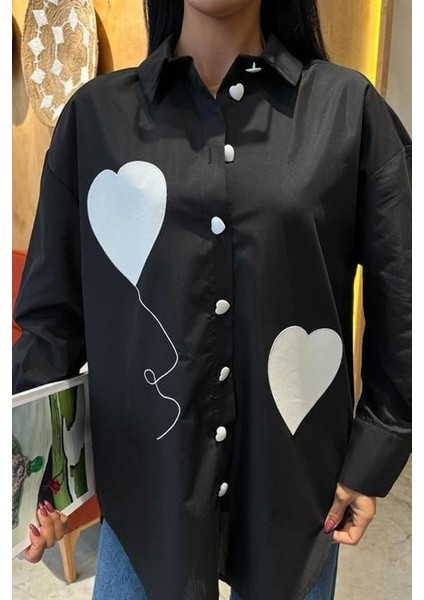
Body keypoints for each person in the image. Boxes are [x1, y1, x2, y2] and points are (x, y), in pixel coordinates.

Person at [12, 0, 411, 598]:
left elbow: (404, 299)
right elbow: (52, 319)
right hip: (144, 499)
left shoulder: (347, 110)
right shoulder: (94, 120)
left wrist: (374, 454)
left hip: (296, 498)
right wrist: (32, 481)